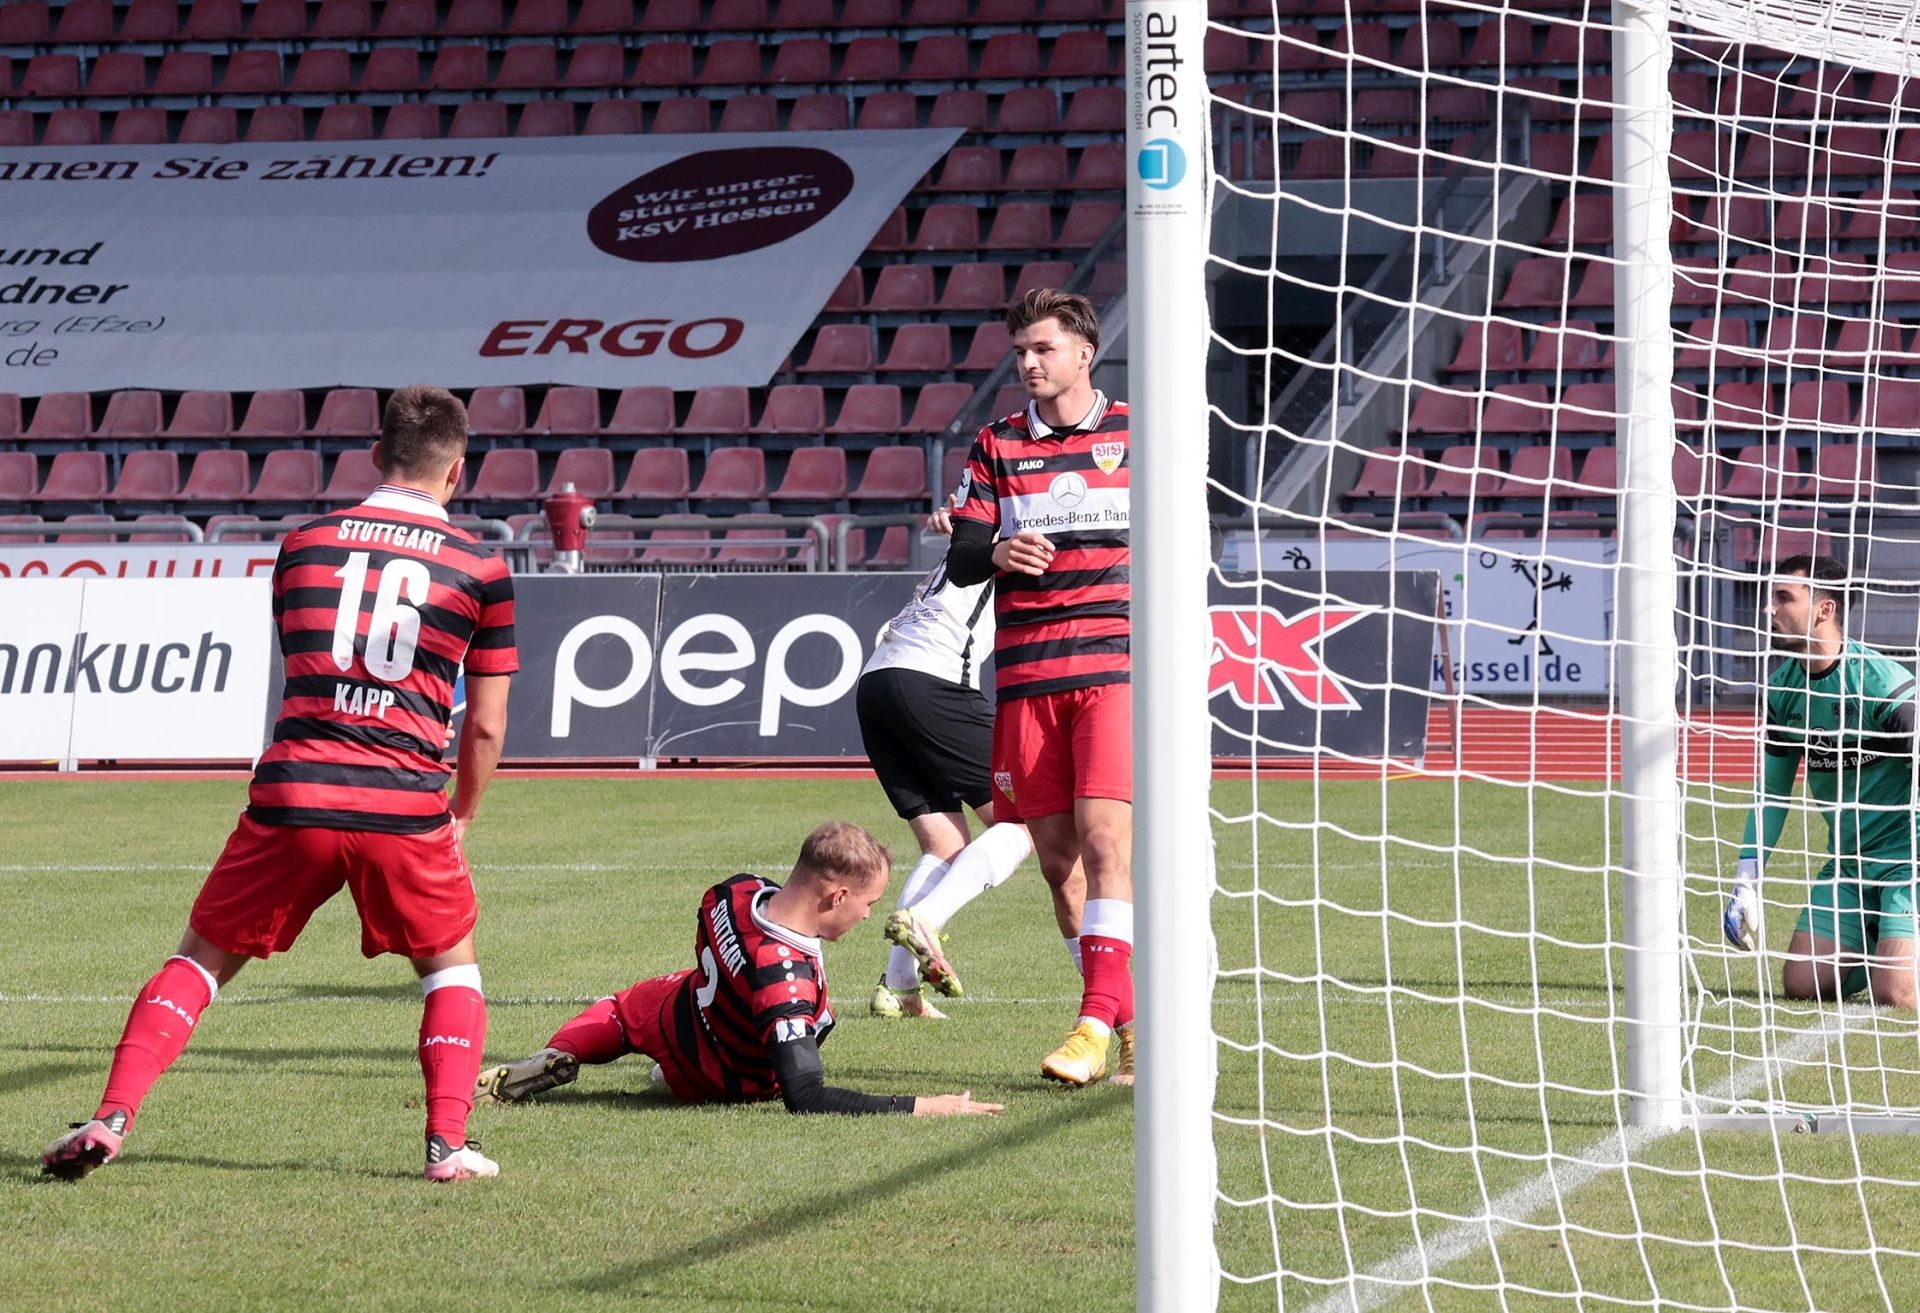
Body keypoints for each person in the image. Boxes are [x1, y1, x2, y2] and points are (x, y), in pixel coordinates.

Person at [42, 385, 518, 1184]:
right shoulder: (483, 568)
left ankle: (112, 1114)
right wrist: (462, 813)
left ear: (377, 454)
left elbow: (306, 661)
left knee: (199, 961)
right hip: (403, 801)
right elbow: (487, 727)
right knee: (451, 969)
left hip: (296, 790)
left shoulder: (304, 544)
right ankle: (446, 1145)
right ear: (457, 470)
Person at [473, 822, 1004, 1117]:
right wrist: (923, 1105)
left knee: (621, 1007)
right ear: (837, 896)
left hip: (677, 1012)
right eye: (868, 903)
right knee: (780, 1039)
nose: (868, 915)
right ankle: (669, 1072)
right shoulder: (785, 980)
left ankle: (561, 1050)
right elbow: (806, 1096)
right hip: (724, 1078)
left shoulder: (735, 891)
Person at [945, 287, 1135, 1087]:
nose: (1028, 362)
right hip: (1026, 677)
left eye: (1043, 348)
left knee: (1106, 843)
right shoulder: (996, 443)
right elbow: (961, 557)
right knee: (1060, 866)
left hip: (1114, 669)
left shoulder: (1137, 432)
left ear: (1084, 352)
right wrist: (996, 552)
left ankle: (1092, 1025)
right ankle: (1135, 1028)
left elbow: (1195, 534)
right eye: (1020, 350)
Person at [855, 497, 1052, 1021]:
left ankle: (898, 987)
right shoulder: (1017, 544)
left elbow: (968, 523)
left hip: (877, 682)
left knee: (944, 844)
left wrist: (956, 518)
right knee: (1028, 820)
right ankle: (926, 919)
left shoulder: (976, 542)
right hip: (934, 680)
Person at [1724, 554, 1920, 1007]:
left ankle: (1897, 951)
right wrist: (1746, 881)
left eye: (1783, 598)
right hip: (1847, 865)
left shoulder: (1883, 686)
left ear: (1824, 609)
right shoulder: (1781, 690)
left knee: (1896, 992)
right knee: (1802, 983)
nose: (1770, 609)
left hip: (1909, 864)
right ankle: (1884, 942)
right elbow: (1772, 794)